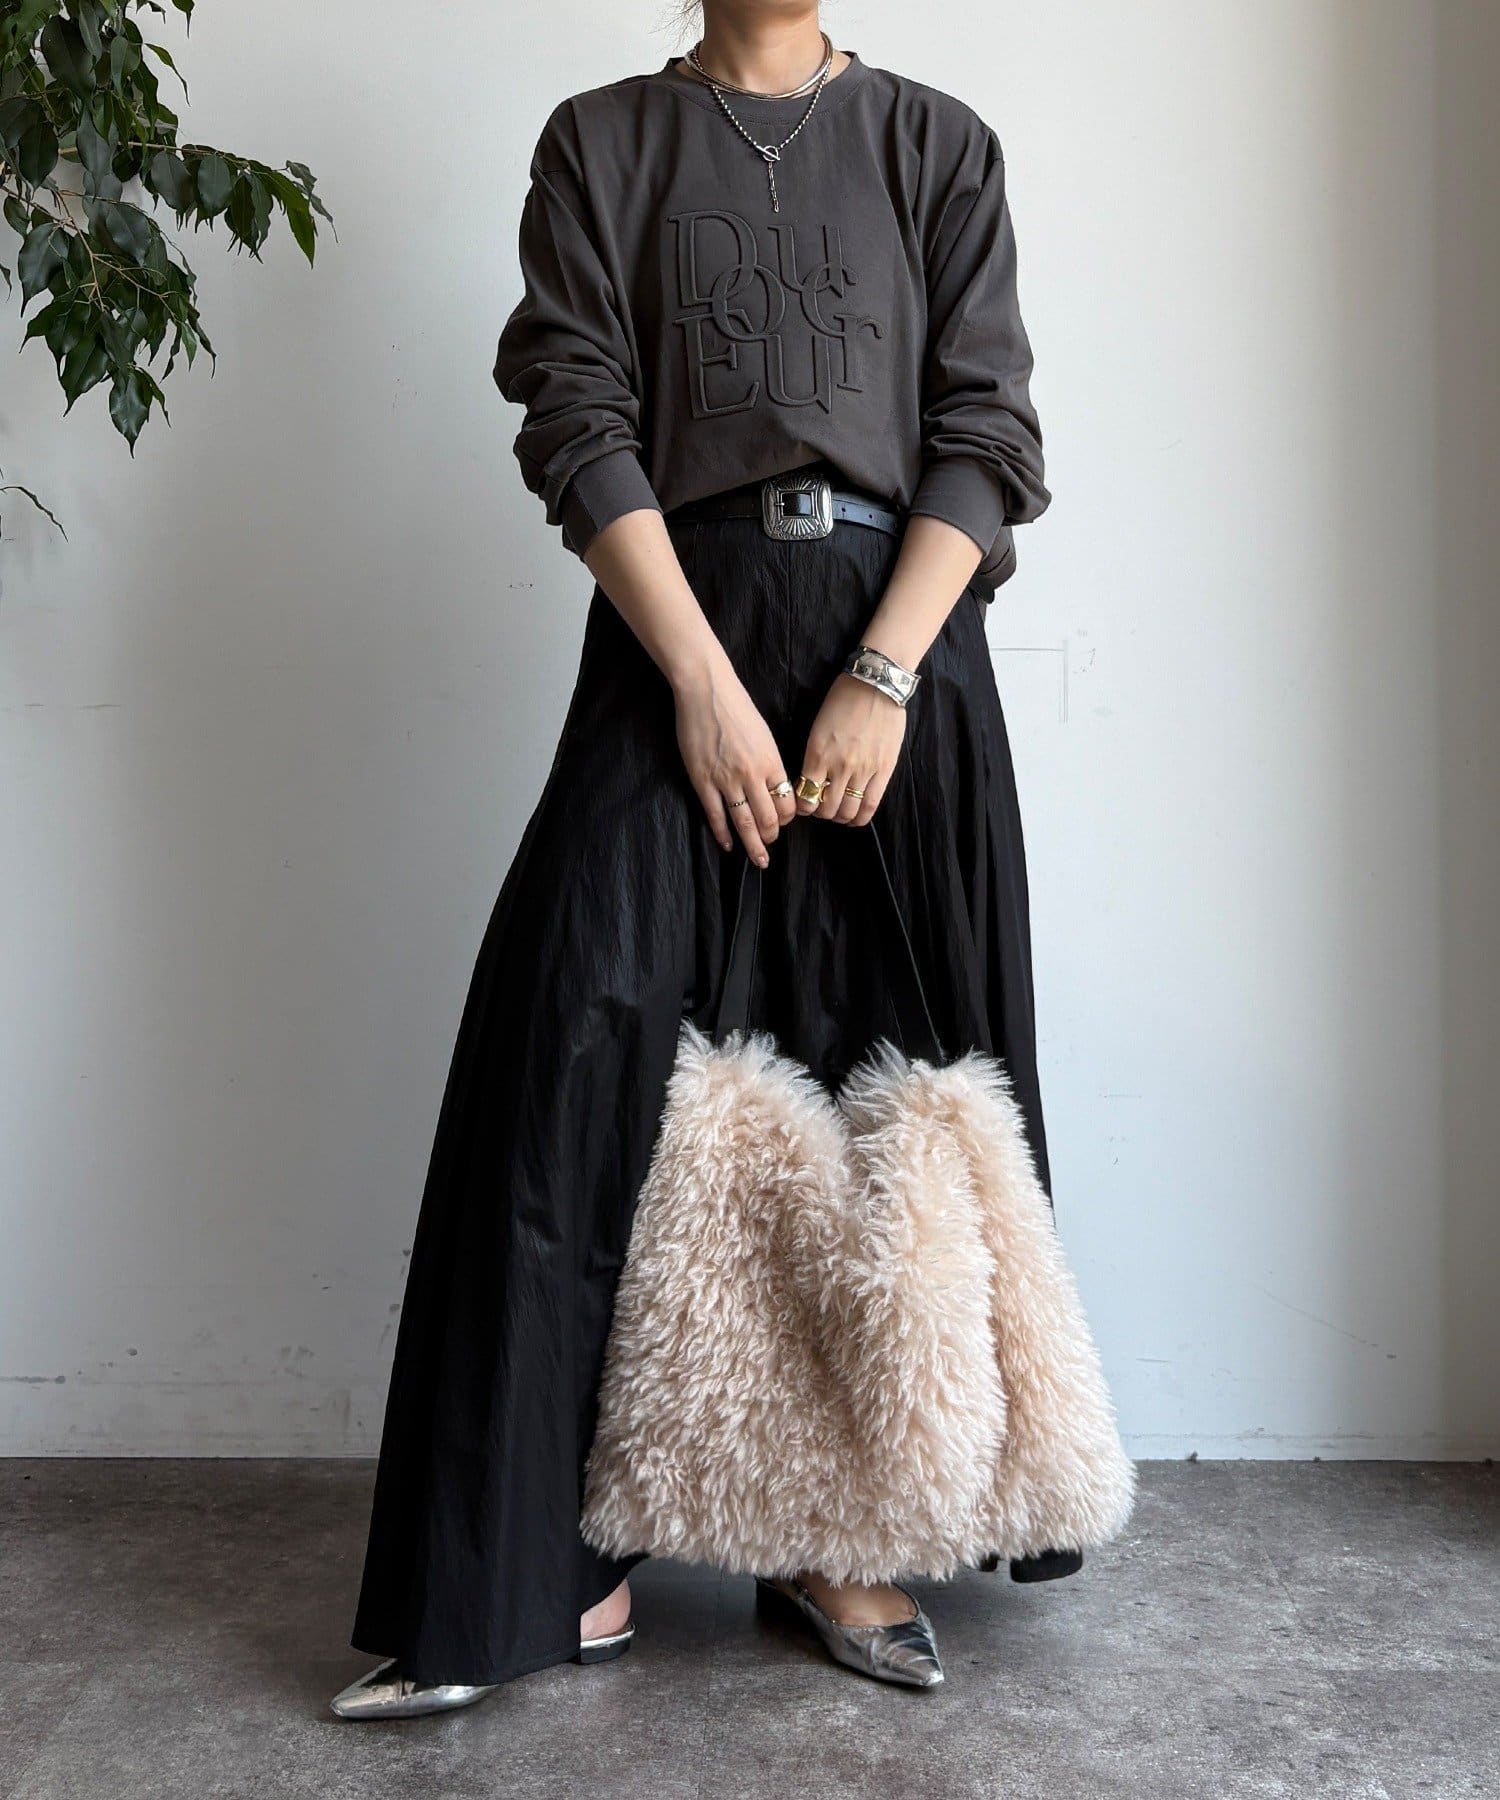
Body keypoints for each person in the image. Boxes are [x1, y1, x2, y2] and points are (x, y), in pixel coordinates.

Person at [333, 0, 1054, 1717]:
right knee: (573, 1070)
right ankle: (540, 1562)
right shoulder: (600, 141)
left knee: (877, 1085)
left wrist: (882, 677)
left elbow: (988, 433)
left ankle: (840, 1536)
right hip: (678, 641)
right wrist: (704, 685)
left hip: (901, 648)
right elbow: (575, 418)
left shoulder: (936, 143)